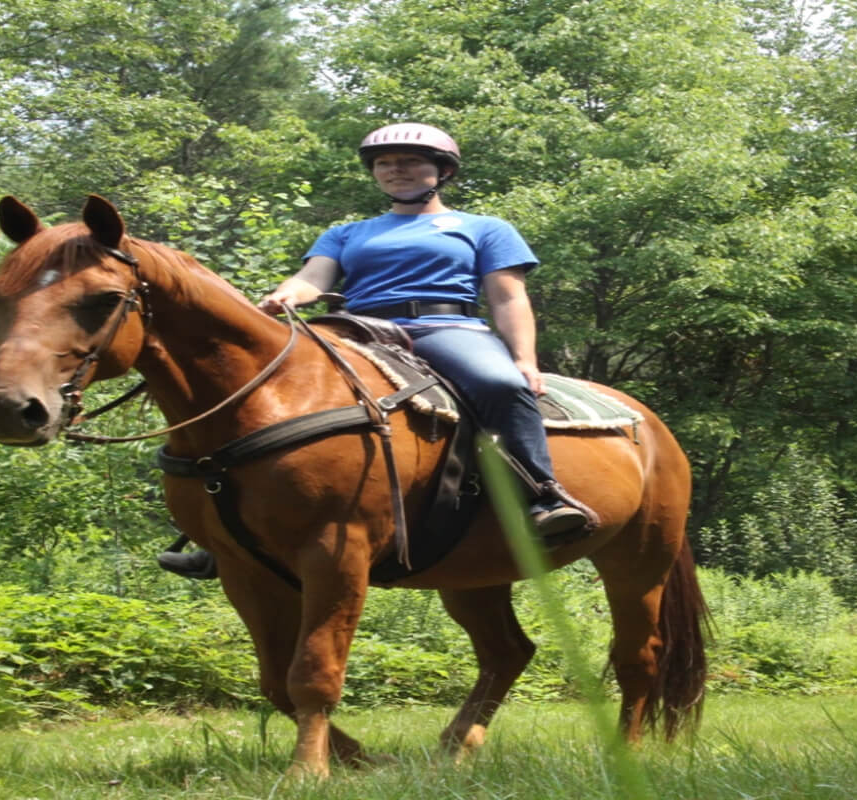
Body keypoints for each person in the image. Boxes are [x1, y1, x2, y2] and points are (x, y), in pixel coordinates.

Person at [157, 122, 594, 579]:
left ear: (442, 171)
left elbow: (507, 298)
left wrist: (523, 358)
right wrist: (286, 295)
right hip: (356, 327)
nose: (394, 170)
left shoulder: (483, 228)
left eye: (408, 162)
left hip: (445, 326)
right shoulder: (347, 232)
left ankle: (542, 497)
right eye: (384, 164)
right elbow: (313, 278)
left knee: (498, 384)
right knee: (261, 389)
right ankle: (217, 531)